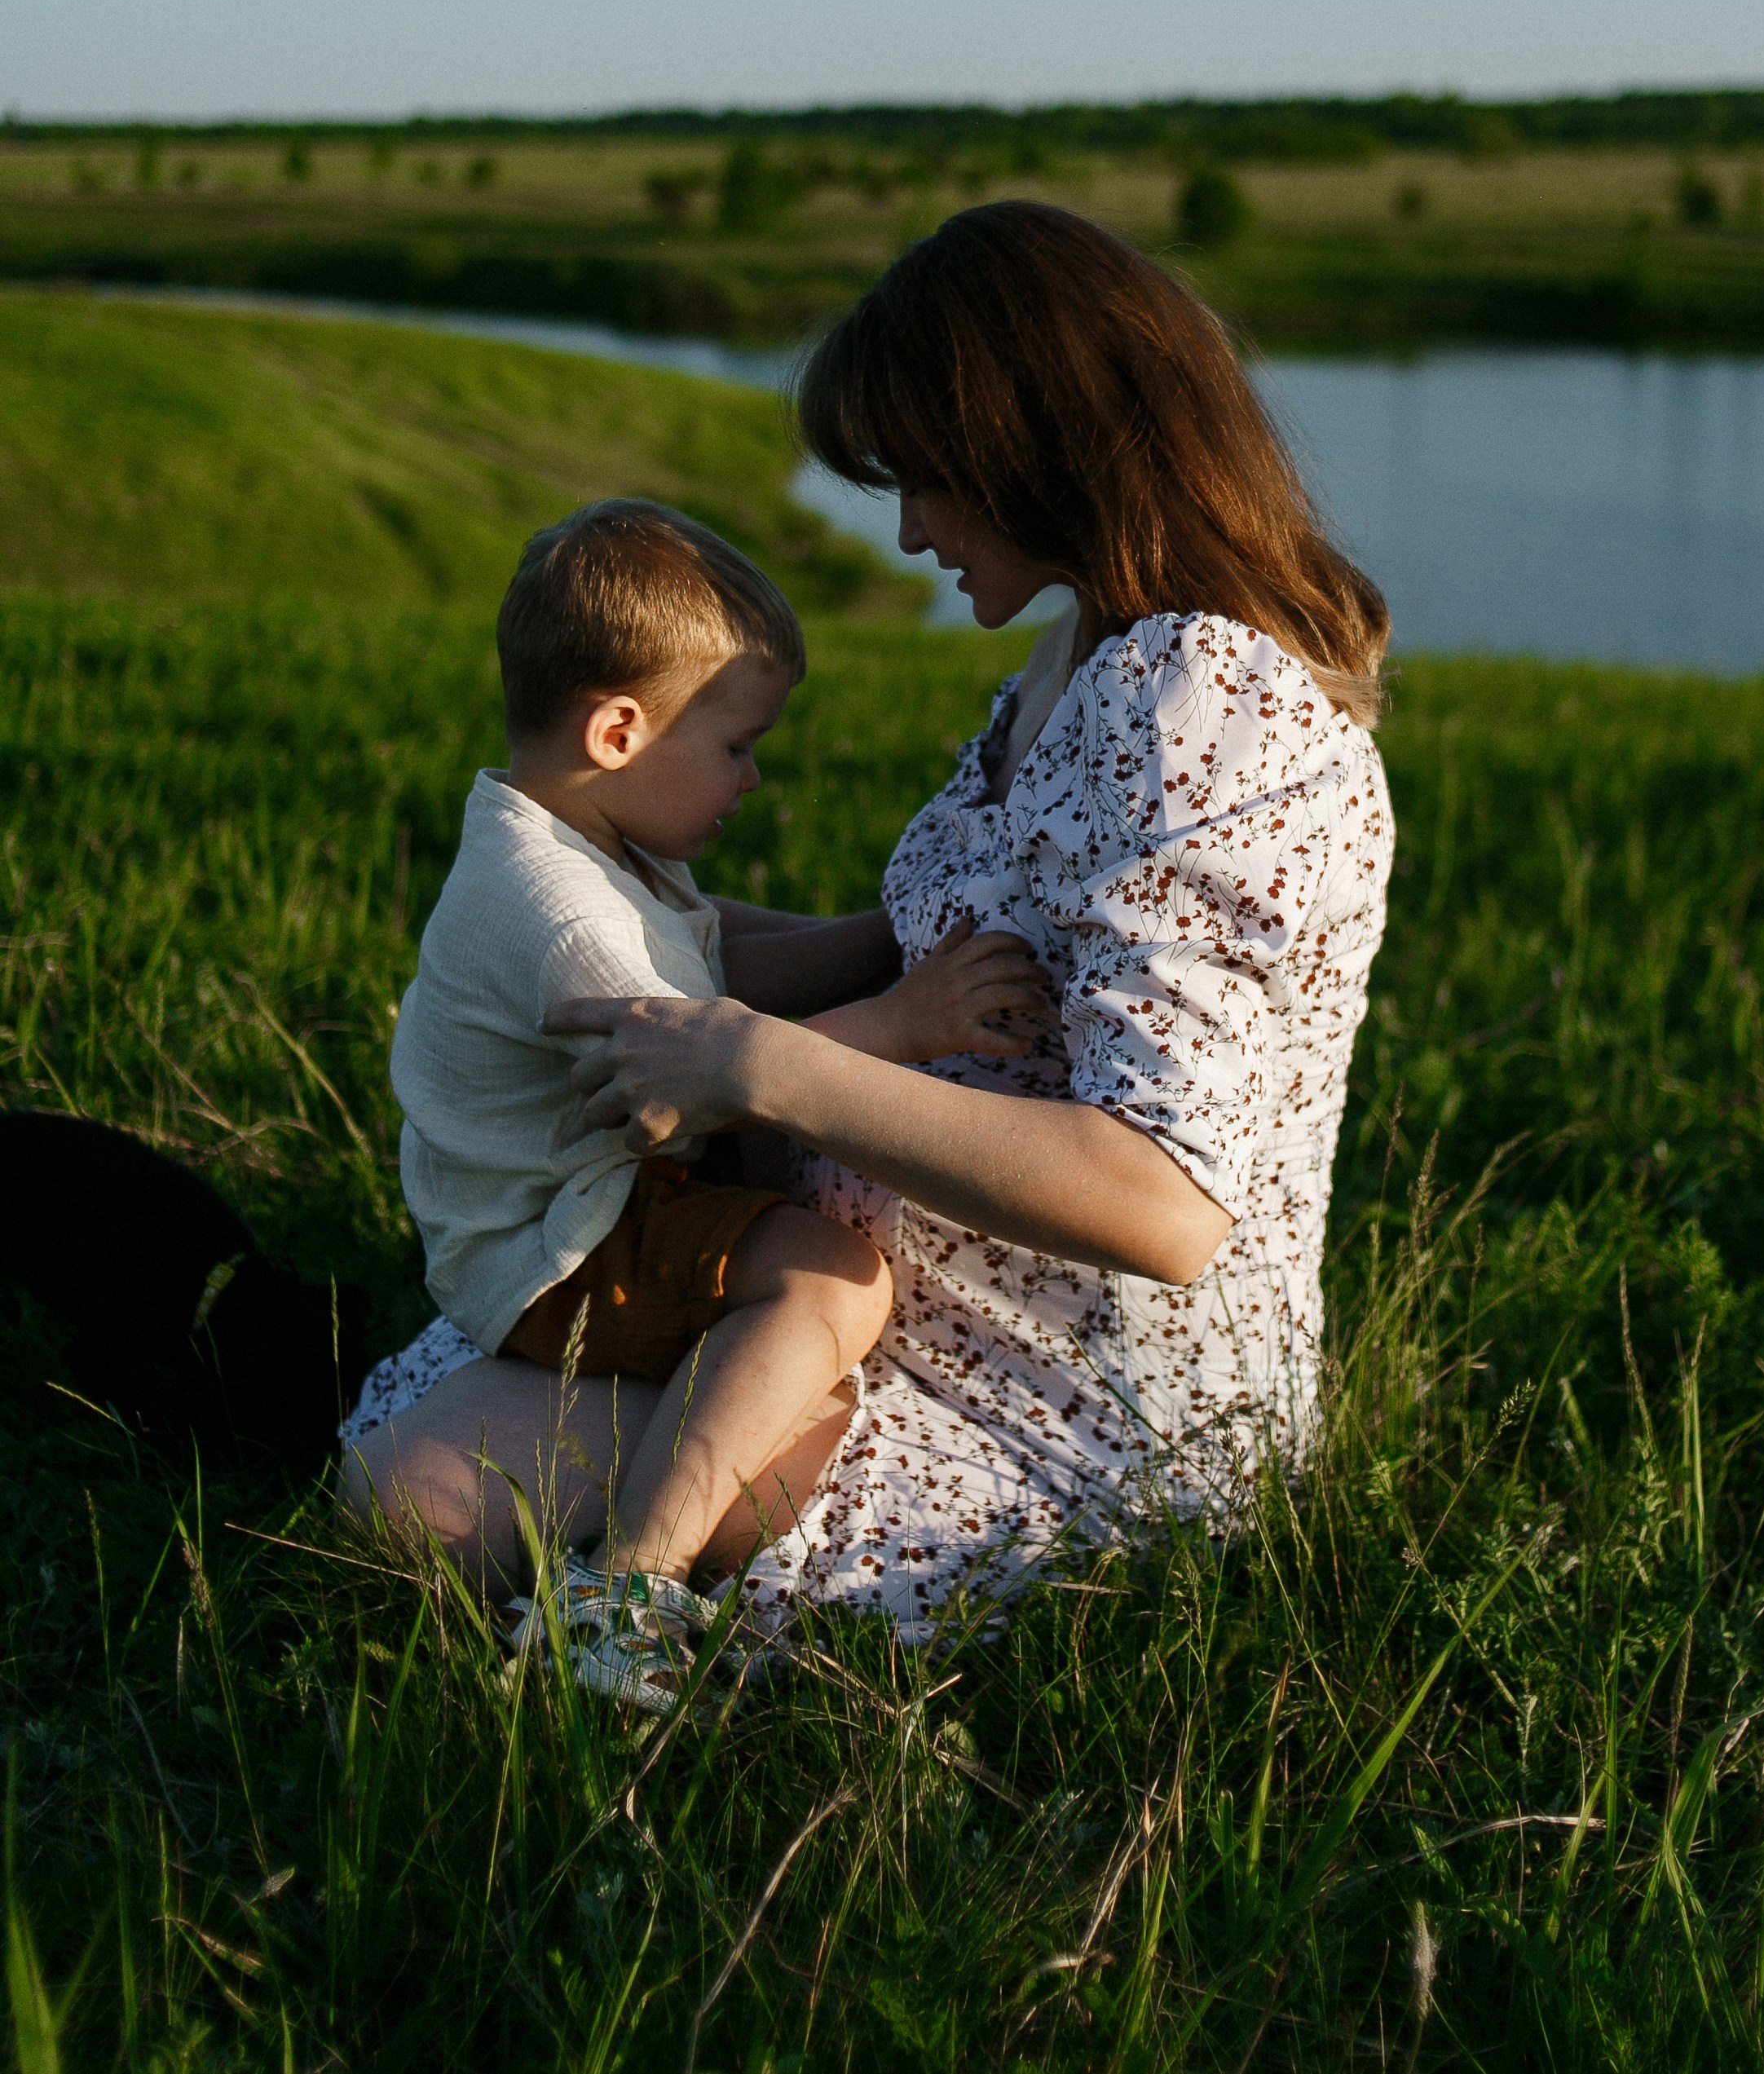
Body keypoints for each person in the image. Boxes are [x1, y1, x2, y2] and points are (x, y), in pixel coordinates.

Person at [341, 201, 1395, 1652]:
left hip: (1060, 1396)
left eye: (930, 478)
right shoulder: (1072, 657)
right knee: (401, 1474)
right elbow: (910, 945)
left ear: (1043, 440)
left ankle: (635, 1597)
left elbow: (1162, 1202)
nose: (908, 530)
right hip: (856, 1295)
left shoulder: (1205, 702)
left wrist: (758, 1069)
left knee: (422, 1498)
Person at [382, 497, 1047, 1702]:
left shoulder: (576, 835)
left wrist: (878, 944)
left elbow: (713, 974)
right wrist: (899, 1022)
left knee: (800, 1281)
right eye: (738, 743)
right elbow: (684, 1090)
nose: (753, 774)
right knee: (826, 1278)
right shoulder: (559, 911)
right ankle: (627, 1587)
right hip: (553, 1248)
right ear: (622, 729)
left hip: (578, 1201)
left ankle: (675, 1450)